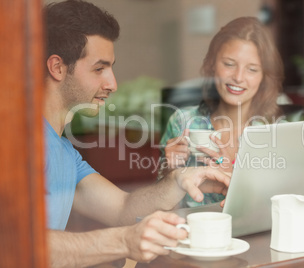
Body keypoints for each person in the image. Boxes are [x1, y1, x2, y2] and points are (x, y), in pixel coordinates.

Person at [43, 0, 230, 266]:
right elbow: (13, 242)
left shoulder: (63, 151)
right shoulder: (16, 143)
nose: (113, 84)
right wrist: (123, 241)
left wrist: (179, 180)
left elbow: (123, 208)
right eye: (99, 68)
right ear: (57, 67)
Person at [159, 17, 285, 208]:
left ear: (264, 78)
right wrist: (170, 171)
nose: (238, 77)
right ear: (212, 65)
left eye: (252, 69)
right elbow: (161, 207)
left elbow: (284, 205)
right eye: (229, 64)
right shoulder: (183, 121)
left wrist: (234, 180)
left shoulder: (277, 132)